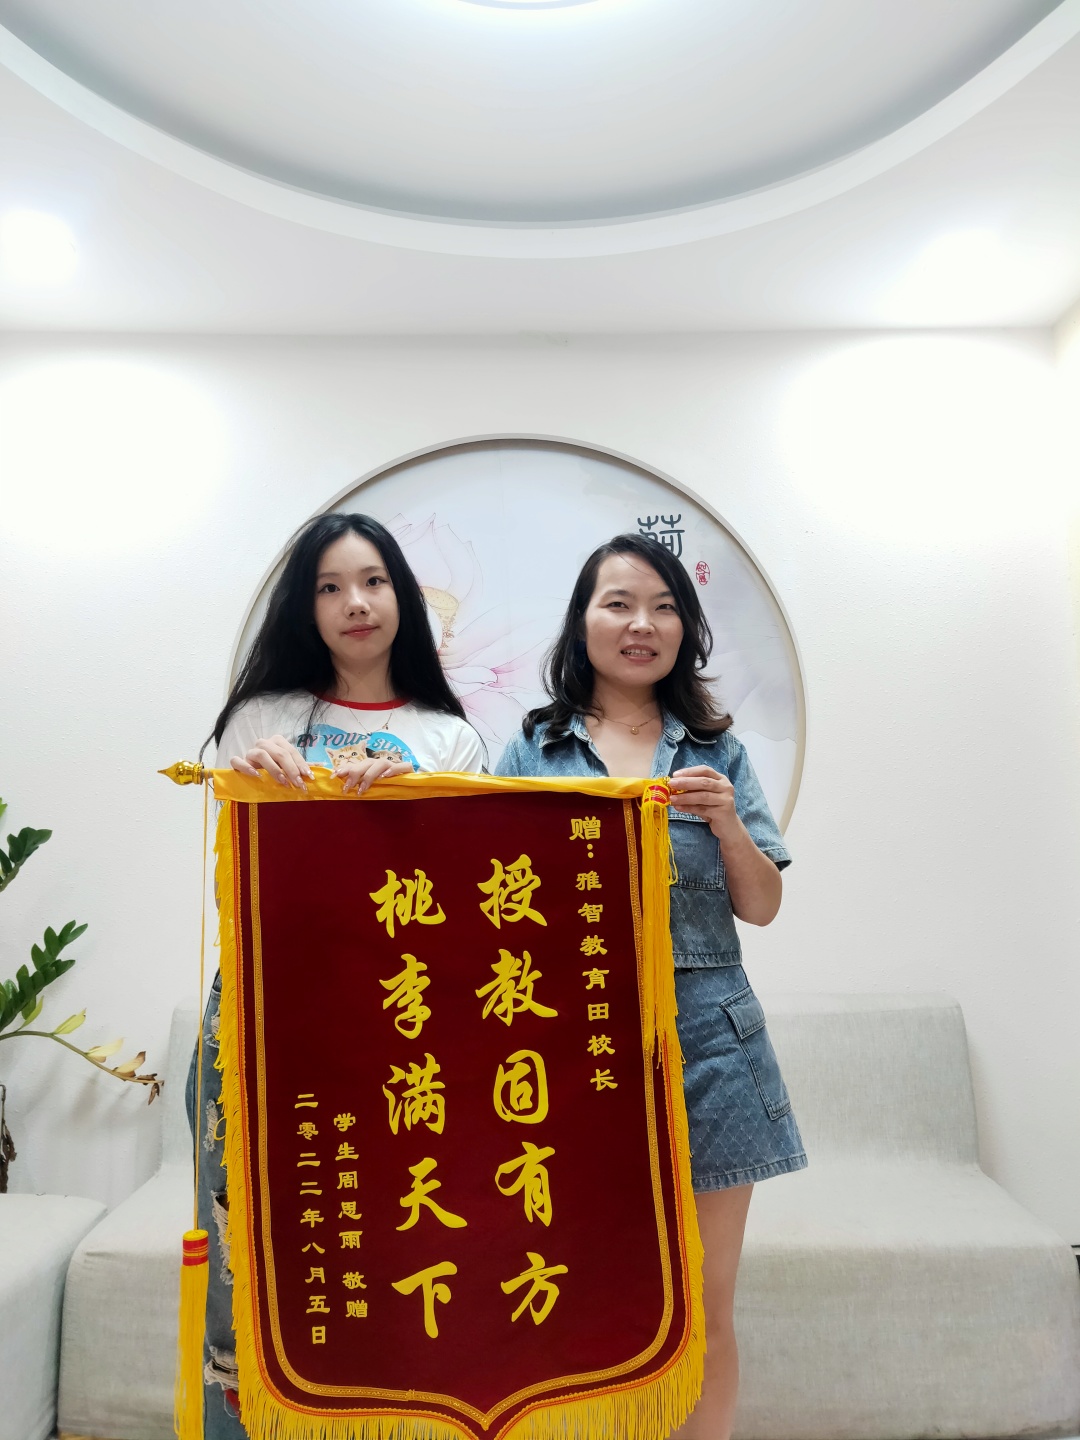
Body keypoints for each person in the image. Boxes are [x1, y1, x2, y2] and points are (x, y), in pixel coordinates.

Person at [496, 533, 805, 1440]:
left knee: (705, 1299)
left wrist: (727, 824)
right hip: (575, 1047)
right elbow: (481, 889)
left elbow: (763, 907)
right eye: (619, 603)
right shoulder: (534, 747)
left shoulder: (715, 749)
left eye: (665, 607)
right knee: (584, 1289)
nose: (643, 624)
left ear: (685, 629)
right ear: (582, 621)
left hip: (710, 1046)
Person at [188, 512, 484, 1438]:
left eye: (373, 581)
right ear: (305, 608)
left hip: (396, 1032)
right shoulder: (262, 721)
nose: (355, 603)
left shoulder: (448, 739)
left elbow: (468, 905)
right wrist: (264, 788)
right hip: (265, 1014)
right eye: (329, 587)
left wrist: (406, 809)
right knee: (252, 1242)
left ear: (403, 598)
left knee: (380, 1239)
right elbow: (237, 879)